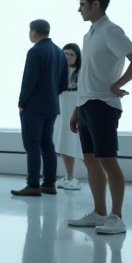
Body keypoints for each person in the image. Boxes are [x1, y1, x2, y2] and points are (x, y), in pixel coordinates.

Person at [67, 0, 132, 235]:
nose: (79, 9)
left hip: (104, 105)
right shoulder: (89, 34)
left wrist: (118, 83)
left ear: (95, 4)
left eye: (82, 4)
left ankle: (117, 217)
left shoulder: (111, 30)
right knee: (90, 161)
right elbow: (87, 76)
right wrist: (77, 108)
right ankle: (99, 212)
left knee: (107, 160)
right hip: (88, 104)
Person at [12, 20, 68, 197]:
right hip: (51, 106)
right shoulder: (59, 52)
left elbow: (29, 80)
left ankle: (33, 185)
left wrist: (22, 102)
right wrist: (51, 94)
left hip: (34, 107)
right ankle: (50, 183)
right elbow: (64, 83)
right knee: (47, 145)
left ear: (34, 32)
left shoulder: (35, 51)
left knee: (32, 146)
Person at [55, 43, 85, 190]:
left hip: (76, 109)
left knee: (78, 144)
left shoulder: (82, 72)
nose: (67, 57)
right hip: (61, 109)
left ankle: (77, 177)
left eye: (71, 54)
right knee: (63, 143)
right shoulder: (58, 71)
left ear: (77, 56)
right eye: (65, 54)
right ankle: (69, 175)